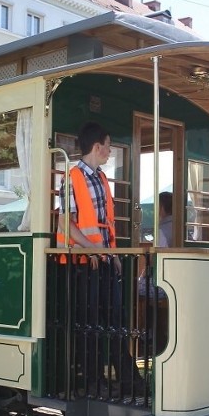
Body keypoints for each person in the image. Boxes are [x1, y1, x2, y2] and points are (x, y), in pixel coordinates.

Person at [57, 121, 143, 397]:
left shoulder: (101, 177)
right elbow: (64, 224)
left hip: (103, 260)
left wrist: (110, 254)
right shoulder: (71, 176)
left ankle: (128, 379)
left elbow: (103, 223)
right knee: (90, 323)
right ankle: (92, 381)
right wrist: (93, 249)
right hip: (81, 264)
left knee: (116, 320)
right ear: (97, 146)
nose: (109, 151)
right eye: (107, 146)